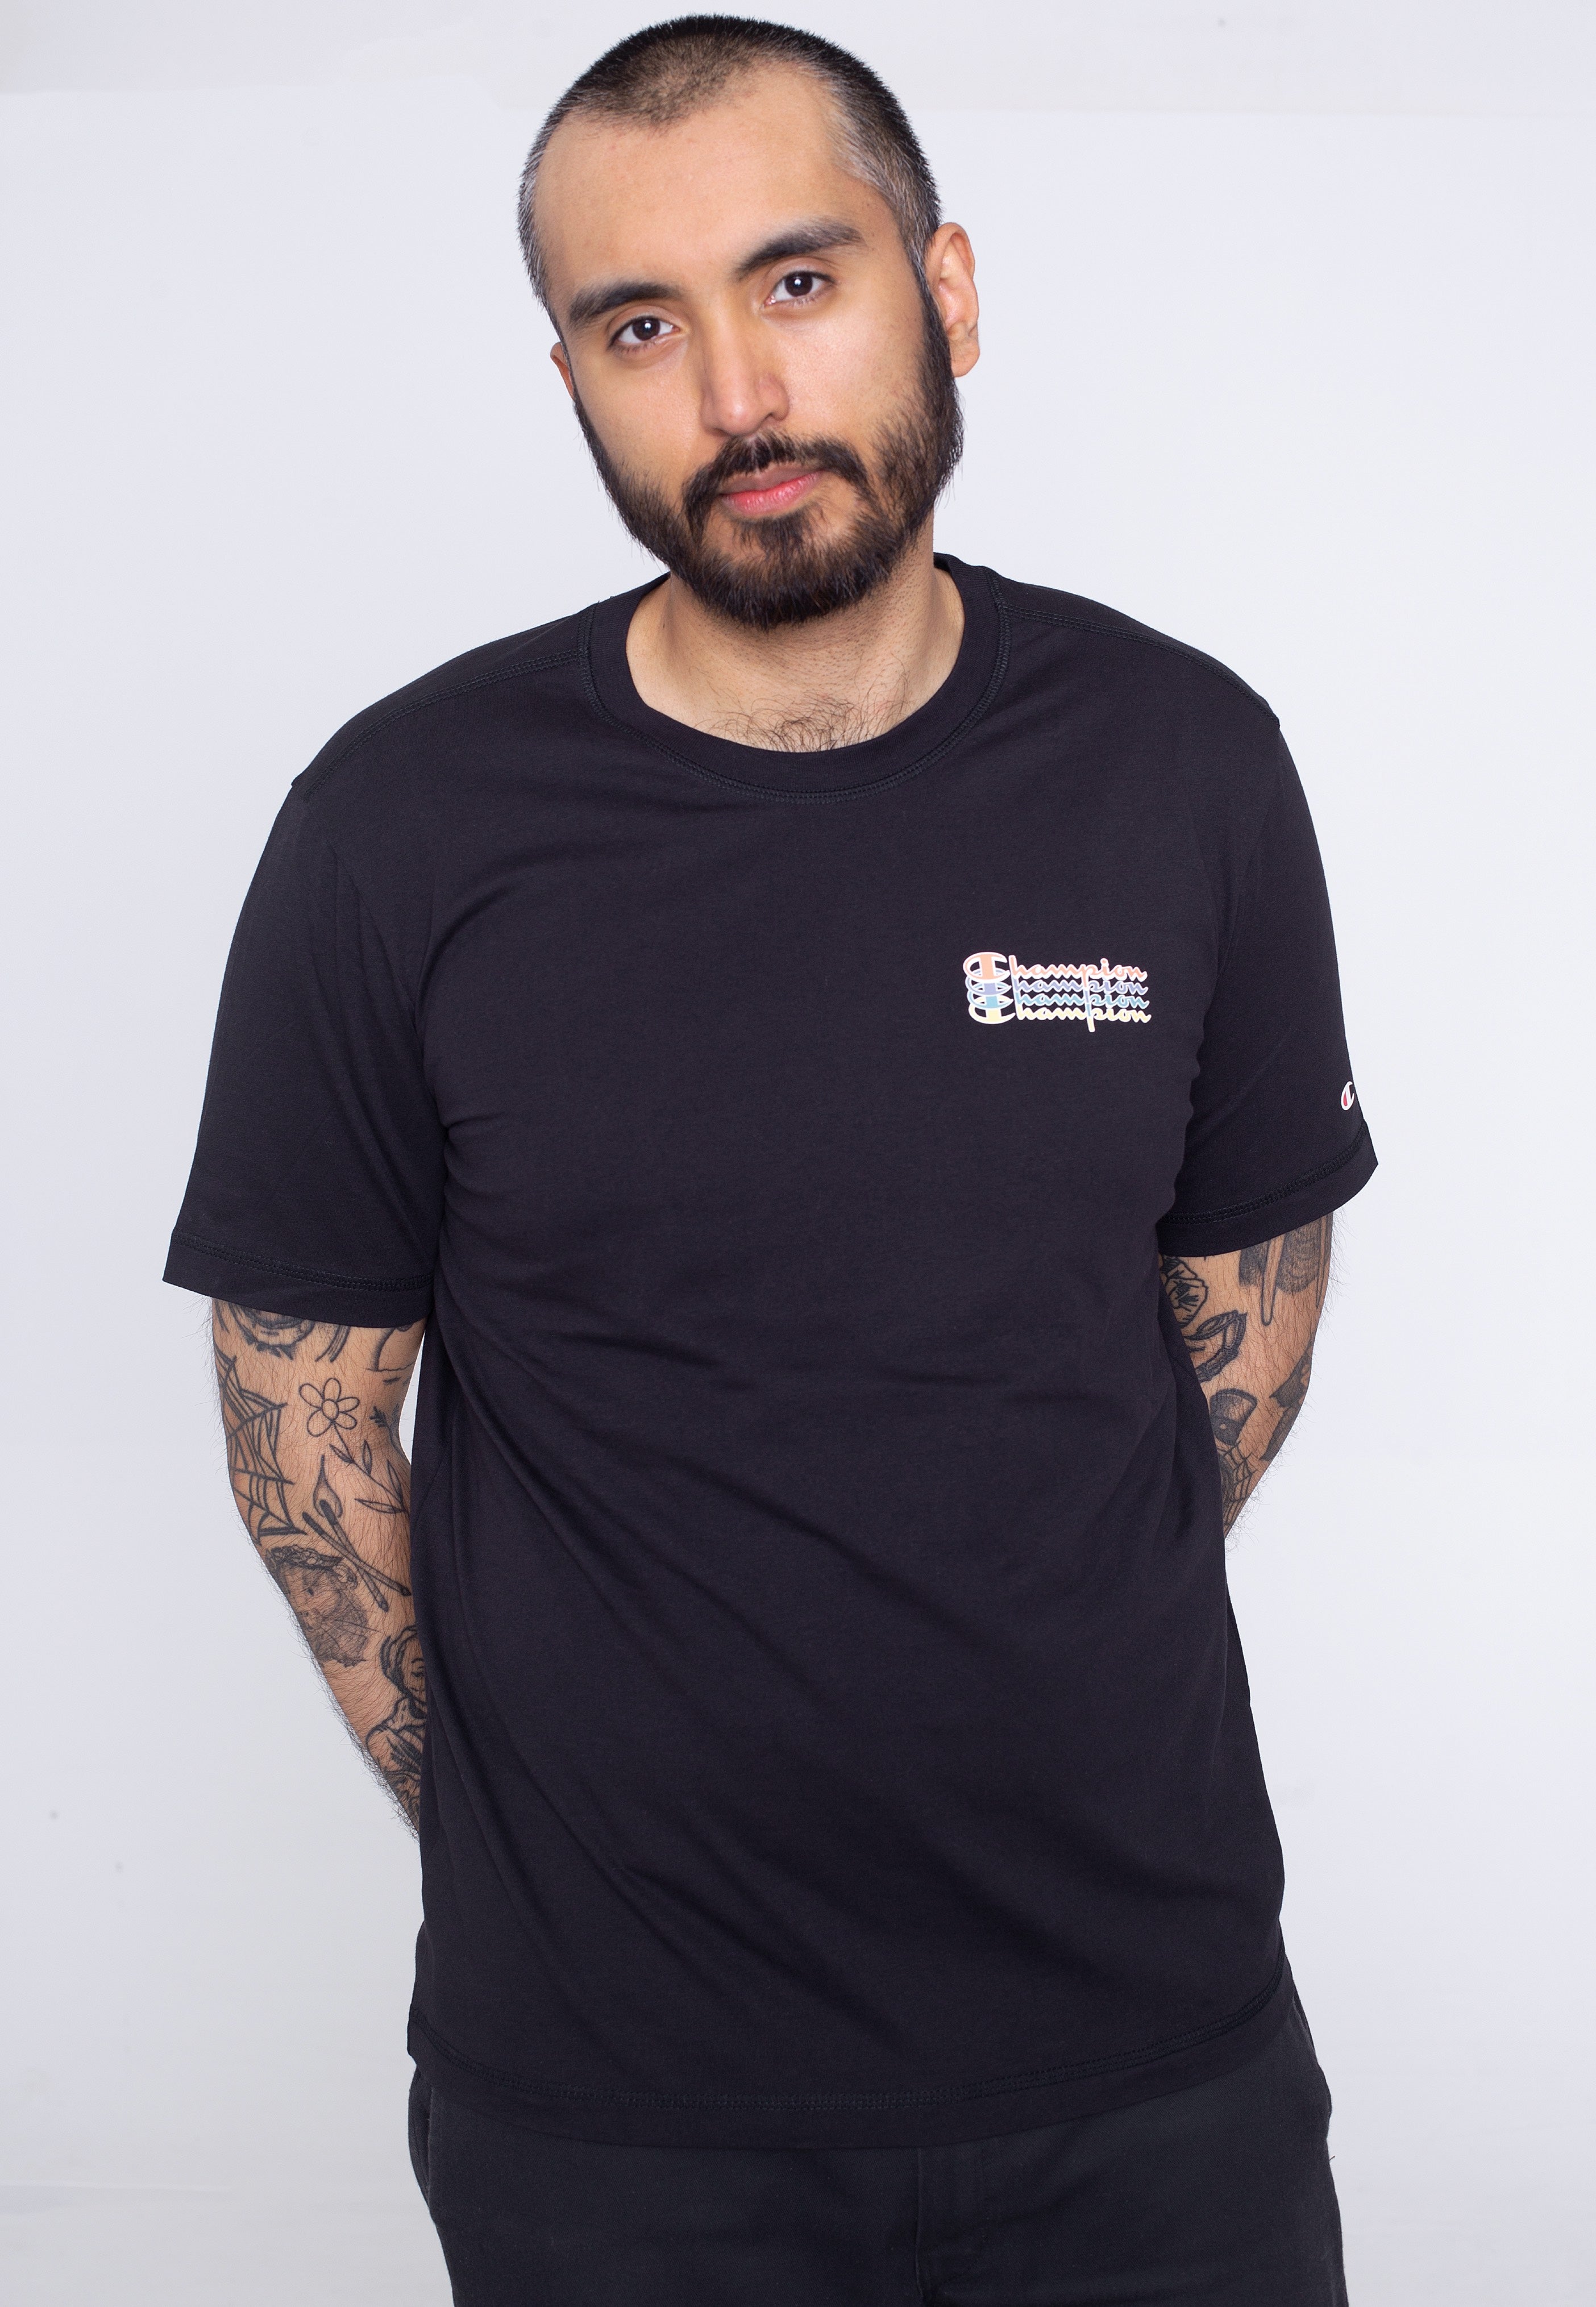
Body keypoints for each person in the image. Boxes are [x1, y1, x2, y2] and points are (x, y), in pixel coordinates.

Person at [165, 17, 1376, 2302]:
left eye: (799, 282)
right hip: (616, 2118)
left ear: (949, 292)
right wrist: (544, 1828)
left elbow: (1246, 1321)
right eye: (641, 326)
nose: (738, 393)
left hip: (1152, 2057)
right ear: (572, 379)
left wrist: (999, 1642)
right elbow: (298, 1424)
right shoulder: (399, 829)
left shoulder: (1187, 765)